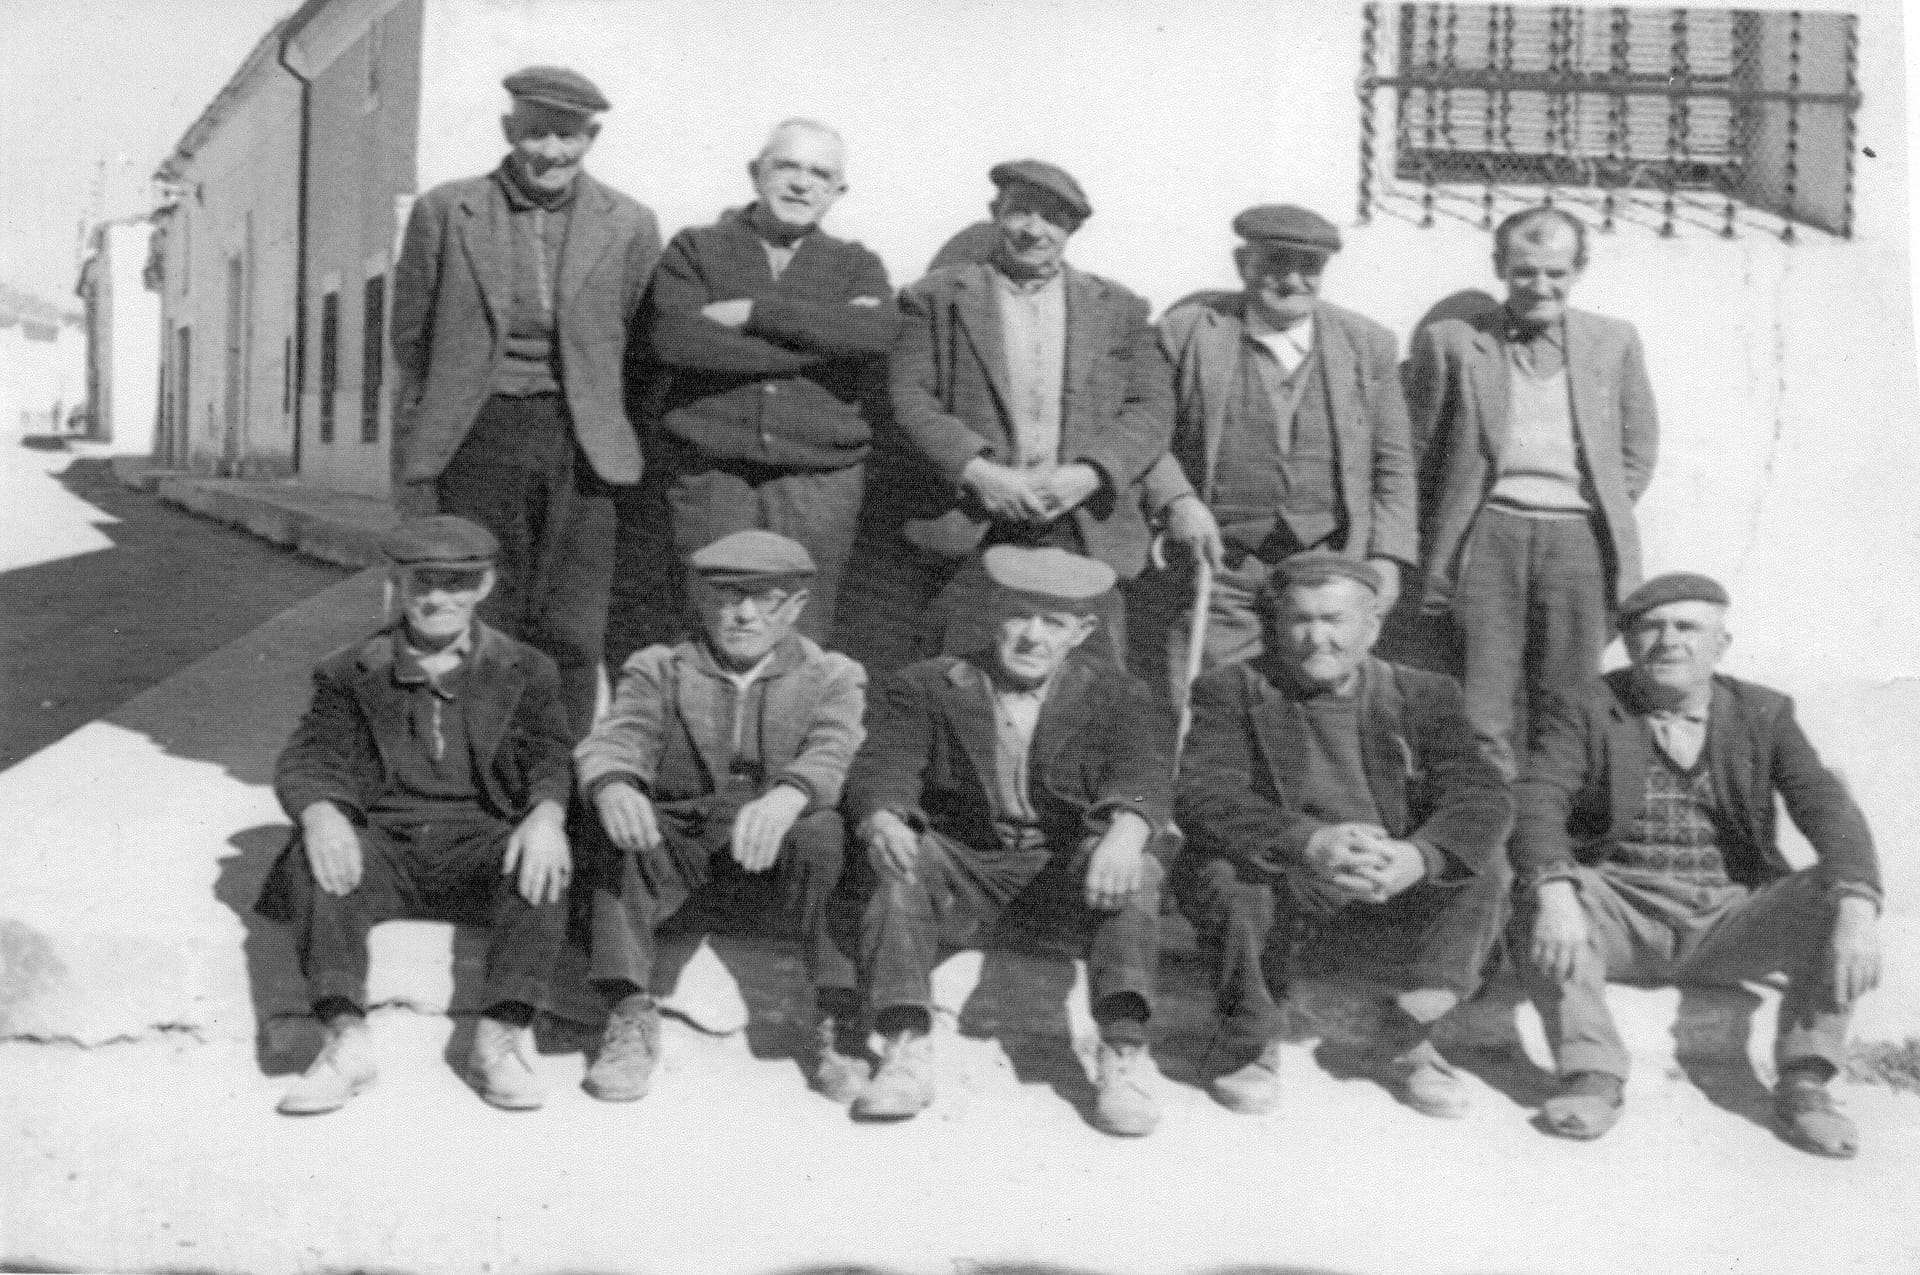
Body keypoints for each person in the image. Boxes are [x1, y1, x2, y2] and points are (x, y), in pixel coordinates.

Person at [1514, 573, 1883, 1156]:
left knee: (1834, 895)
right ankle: (1591, 1073)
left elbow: (1825, 807)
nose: (1669, 642)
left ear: (1720, 645)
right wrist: (1556, 895)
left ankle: (1806, 1081)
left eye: (1687, 627)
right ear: (1628, 643)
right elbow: (1539, 798)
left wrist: (1859, 908)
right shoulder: (1587, 706)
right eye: (1651, 628)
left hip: (1730, 920)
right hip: (1621, 914)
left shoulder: (1764, 712)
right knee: (1540, 890)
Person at [844, 546, 1175, 1135]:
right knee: (900, 858)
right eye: (1019, 615)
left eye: (1053, 622)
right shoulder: (928, 684)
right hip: (966, 861)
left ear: (1082, 633)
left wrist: (1128, 830)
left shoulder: (1118, 694)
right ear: (991, 614)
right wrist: (886, 820)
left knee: (1139, 868)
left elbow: (1142, 774)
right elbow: (886, 765)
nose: (1032, 637)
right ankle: (904, 1047)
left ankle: (1122, 1055)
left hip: (1060, 867)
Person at [257, 516, 575, 1114]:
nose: (437, 599)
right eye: (422, 582)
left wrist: (547, 814)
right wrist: (322, 814)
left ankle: (499, 1039)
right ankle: (345, 1041)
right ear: (396, 584)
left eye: (457, 583)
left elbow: (549, 754)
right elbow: (309, 756)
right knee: (311, 857)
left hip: (480, 841)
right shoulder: (350, 670)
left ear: (485, 586)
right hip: (387, 842)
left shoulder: (526, 668)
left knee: (545, 864)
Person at [1175, 552, 1511, 1118]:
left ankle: (1407, 1033)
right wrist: (1310, 843)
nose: (1316, 639)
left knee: (1482, 860)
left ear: (1372, 627)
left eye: (1334, 620)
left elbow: (1481, 794)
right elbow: (1203, 794)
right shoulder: (1231, 689)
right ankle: (1250, 1039)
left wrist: (1418, 857)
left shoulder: (1424, 694)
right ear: (1276, 625)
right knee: (1223, 871)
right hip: (1289, 882)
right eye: (1300, 620)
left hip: (1387, 884)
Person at [390, 67, 662, 736]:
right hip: (479, 435)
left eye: (568, 136)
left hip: (583, 443)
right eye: (537, 133)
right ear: (510, 130)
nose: (551, 152)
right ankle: (476, 761)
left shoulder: (630, 223)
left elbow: (641, 343)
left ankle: (555, 769)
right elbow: (410, 335)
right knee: (484, 606)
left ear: (591, 138)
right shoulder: (447, 210)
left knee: (573, 622)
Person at [574, 530, 868, 1103]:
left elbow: (834, 748)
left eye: (765, 599)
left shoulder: (833, 674)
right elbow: (619, 736)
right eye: (727, 596)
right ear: (702, 600)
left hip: (773, 864)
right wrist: (614, 783)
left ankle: (837, 1019)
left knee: (824, 833)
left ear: (796, 607)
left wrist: (789, 795)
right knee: (618, 824)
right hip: (682, 855)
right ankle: (628, 1014)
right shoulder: (660, 667)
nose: (744, 614)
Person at [1404, 205, 1658, 778]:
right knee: (1480, 695)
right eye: (1524, 271)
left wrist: (1597, 508)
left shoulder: (1613, 341)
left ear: (1578, 270)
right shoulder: (1452, 342)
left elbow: (1637, 449)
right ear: (1500, 267)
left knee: (1569, 695)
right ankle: (1486, 823)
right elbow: (1419, 452)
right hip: (1487, 536)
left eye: (1555, 272)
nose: (1539, 286)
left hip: (1578, 541)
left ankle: (1550, 823)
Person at [890, 160, 1174, 664]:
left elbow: (1151, 408)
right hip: (974, 518)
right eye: (1020, 212)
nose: (1033, 230)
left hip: (1079, 519)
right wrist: (978, 472)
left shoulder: (1119, 308)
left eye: (1053, 218)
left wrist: (1090, 474)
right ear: (995, 213)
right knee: (960, 669)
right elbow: (910, 398)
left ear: (1073, 228)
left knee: (1087, 675)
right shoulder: (936, 298)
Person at [1140, 205, 1417, 701]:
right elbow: (1147, 433)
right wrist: (1178, 501)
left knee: (1318, 702)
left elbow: (1392, 462)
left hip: (1327, 564)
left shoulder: (1366, 344)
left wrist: (1388, 556)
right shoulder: (1188, 332)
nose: (1292, 280)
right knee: (1215, 701)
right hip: (1224, 565)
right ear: (1242, 263)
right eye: (1275, 264)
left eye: (1308, 267)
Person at [647, 119, 901, 644]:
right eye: (787, 166)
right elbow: (678, 341)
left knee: (801, 627)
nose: (802, 184)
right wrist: (824, 340)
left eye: (820, 174)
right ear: (755, 173)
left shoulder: (856, 264)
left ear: (838, 191)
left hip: (818, 479)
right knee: (709, 623)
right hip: (714, 473)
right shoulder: (697, 249)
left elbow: (874, 335)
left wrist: (751, 313)